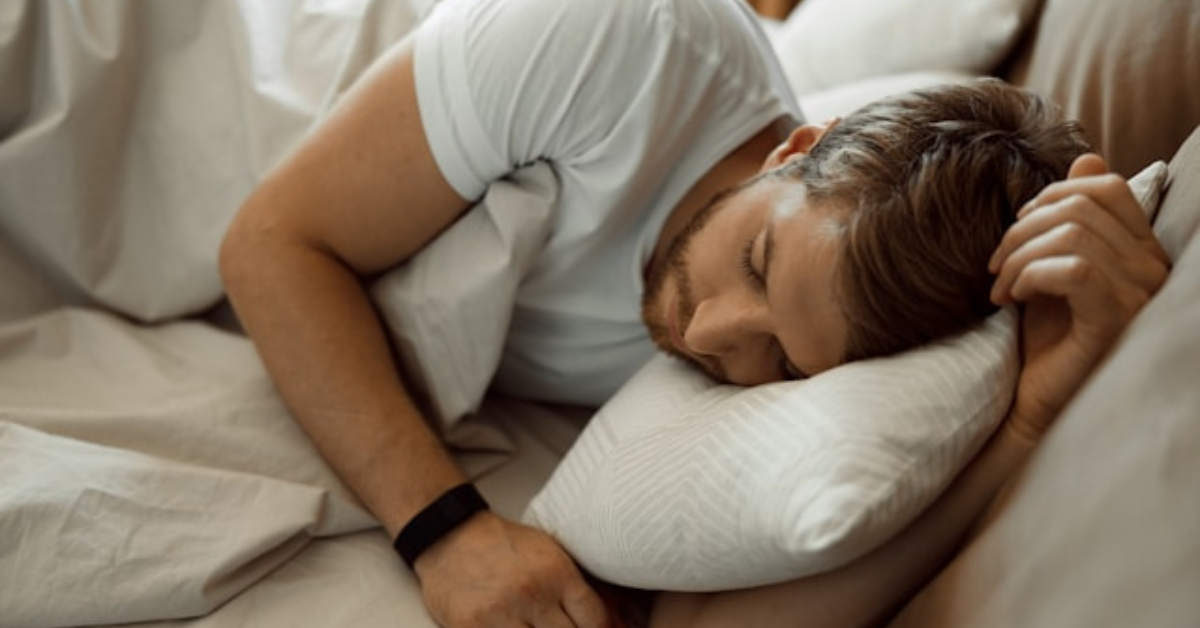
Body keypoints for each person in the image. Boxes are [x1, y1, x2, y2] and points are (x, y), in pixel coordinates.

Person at [218, 0, 1171, 627]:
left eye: (786, 365)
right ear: (796, 147)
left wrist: (1031, 420)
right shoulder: (616, 41)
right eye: (756, 258)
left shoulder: (820, 339)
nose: (710, 335)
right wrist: (446, 529)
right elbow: (272, 240)